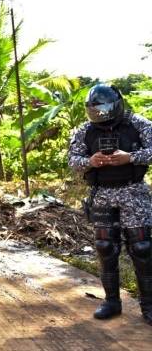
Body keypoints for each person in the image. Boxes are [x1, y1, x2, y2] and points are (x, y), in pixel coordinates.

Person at [68, 83, 152, 326]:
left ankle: (148, 306)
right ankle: (112, 302)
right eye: (95, 109)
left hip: (133, 191)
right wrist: (91, 161)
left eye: (104, 108)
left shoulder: (137, 123)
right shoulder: (85, 130)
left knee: (143, 248)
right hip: (102, 193)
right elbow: (73, 160)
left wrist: (130, 157)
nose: (100, 113)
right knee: (105, 247)